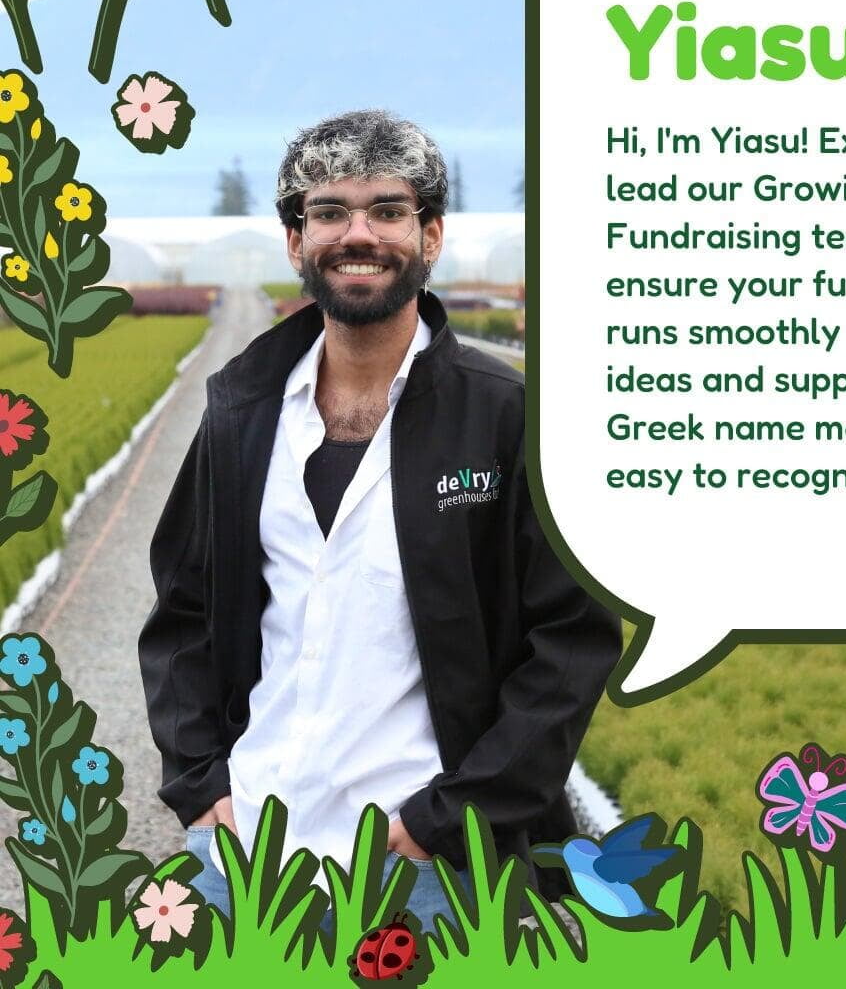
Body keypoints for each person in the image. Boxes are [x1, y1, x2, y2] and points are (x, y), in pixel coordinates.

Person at [138, 110, 621, 934]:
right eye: (328, 212)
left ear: (431, 236)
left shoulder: (507, 420)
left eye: (388, 211)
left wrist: (451, 819)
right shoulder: (242, 413)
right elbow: (182, 612)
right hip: (247, 848)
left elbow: (573, 642)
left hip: (421, 871)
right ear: (296, 241)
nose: (357, 235)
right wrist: (199, 784)